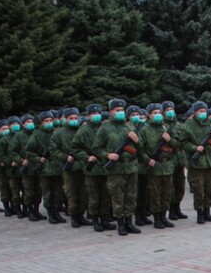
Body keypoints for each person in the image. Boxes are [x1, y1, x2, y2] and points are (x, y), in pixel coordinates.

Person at [93, 98, 142, 236]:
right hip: (116, 168)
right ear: (111, 112)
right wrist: (108, 155)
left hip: (131, 167)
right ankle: (120, 223)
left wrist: (137, 141)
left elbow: (141, 149)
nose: (121, 112)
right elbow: (96, 148)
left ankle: (129, 221)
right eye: (117, 110)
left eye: (122, 110)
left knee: (131, 196)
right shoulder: (105, 128)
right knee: (118, 196)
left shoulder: (130, 127)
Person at [72, 104, 116, 232]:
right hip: (92, 169)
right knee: (94, 196)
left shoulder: (105, 128)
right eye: (93, 114)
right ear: (89, 115)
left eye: (98, 113)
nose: (96, 115)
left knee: (105, 195)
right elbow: (75, 148)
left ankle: (104, 219)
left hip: (105, 167)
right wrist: (86, 157)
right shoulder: (83, 131)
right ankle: (95, 220)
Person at [179, 101, 211, 224]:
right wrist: (195, 148)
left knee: (210, 189)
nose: (203, 113)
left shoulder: (208, 124)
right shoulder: (188, 125)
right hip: (197, 163)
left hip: (209, 161)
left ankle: (207, 211)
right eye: (200, 111)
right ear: (195, 112)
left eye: (204, 111)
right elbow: (183, 142)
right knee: (199, 190)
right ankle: (200, 213)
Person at [51, 107, 93, 228]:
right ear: (66, 119)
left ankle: (81, 215)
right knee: (71, 193)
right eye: (71, 118)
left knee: (83, 192)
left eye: (76, 118)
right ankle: (74, 216)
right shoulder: (59, 133)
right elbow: (53, 150)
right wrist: (65, 157)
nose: (74, 120)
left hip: (82, 166)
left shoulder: (82, 131)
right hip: (69, 168)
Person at [141, 103, 179, 228]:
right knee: (155, 194)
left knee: (167, 193)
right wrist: (147, 160)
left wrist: (169, 140)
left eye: (159, 113)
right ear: (149, 115)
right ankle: (157, 218)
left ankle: (164, 216)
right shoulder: (145, 130)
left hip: (167, 166)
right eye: (154, 113)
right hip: (154, 166)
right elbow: (139, 150)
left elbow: (178, 146)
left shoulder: (166, 128)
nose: (157, 115)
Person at [26, 110, 65, 224]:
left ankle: (57, 212)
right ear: (41, 122)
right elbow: (29, 151)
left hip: (57, 167)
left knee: (57, 192)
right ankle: (51, 213)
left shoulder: (57, 133)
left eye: (50, 120)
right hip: (45, 169)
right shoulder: (37, 135)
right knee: (47, 193)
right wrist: (39, 159)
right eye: (46, 121)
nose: (49, 122)